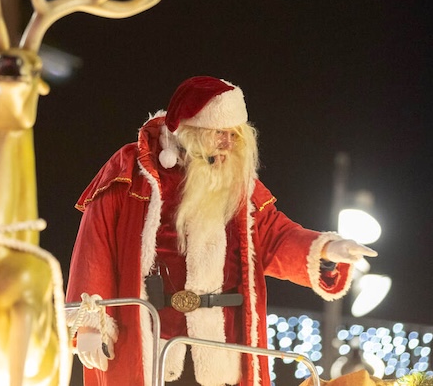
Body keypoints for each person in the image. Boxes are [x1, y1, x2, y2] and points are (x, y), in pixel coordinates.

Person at [65, 76, 377, 386]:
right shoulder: (131, 171)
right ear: (188, 131)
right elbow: (95, 247)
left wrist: (326, 249)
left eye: (234, 134)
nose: (228, 143)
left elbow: (275, 235)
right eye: (219, 133)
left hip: (221, 346)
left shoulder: (237, 184)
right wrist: (90, 322)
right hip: (147, 337)